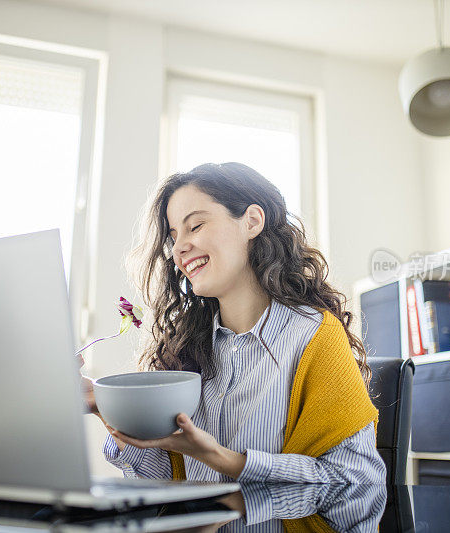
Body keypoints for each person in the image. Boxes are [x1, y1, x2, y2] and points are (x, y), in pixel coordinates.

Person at [82, 162, 385, 484]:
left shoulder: (313, 337)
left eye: (195, 226)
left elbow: (356, 483)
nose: (179, 248)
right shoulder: (186, 350)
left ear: (252, 221)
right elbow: (166, 482)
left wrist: (221, 459)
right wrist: (102, 406)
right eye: (174, 237)